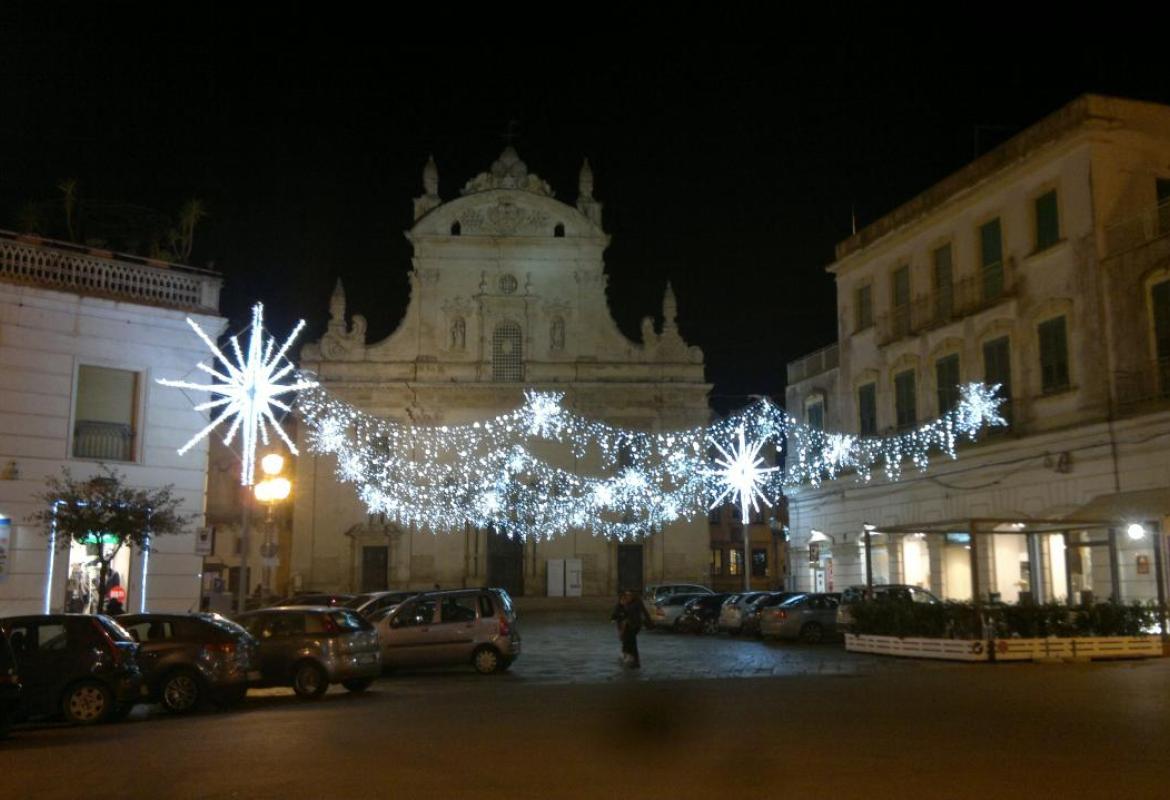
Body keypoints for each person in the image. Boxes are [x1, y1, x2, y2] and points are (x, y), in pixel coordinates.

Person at [610, 589, 651, 668]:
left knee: (632, 641)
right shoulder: (622, 602)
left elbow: (644, 612)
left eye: (630, 595)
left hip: (634, 625)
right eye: (626, 595)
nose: (628, 597)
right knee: (626, 640)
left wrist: (649, 623)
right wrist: (613, 617)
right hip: (624, 625)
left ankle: (634, 660)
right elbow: (616, 611)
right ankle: (626, 655)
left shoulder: (637, 602)